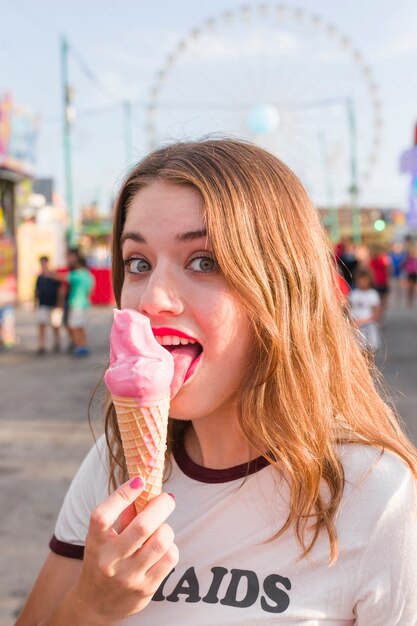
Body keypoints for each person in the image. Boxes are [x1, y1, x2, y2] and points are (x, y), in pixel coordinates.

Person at [15, 139, 417, 626]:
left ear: (282, 288)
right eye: (138, 262)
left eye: (203, 261)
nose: (152, 299)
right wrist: (89, 608)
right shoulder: (112, 465)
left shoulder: (377, 496)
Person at [348, 267, 381, 361]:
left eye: (363, 280)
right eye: (359, 280)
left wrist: (362, 322)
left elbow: (375, 314)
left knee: (369, 351)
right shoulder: (353, 294)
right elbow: (348, 309)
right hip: (355, 327)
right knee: (358, 352)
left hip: (368, 328)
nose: (361, 282)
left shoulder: (373, 294)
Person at [66, 248, 95, 357]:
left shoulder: (76, 274)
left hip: (76, 304)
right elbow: (91, 290)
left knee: (74, 326)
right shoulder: (88, 275)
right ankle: (83, 345)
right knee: (80, 326)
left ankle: (79, 346)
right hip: (85, 303)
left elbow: (63, 278)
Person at [34, 256, 62, 354]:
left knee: (55, 324)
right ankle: (42, 344)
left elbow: (59, 289)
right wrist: (35, 303)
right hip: (43, 303)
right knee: (42, 323)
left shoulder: (53, 276)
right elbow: (37, 291)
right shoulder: (40, 277)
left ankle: (57, 342)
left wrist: (59, 302)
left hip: (54, 303)